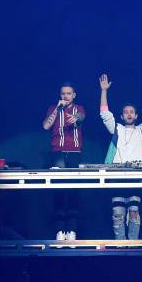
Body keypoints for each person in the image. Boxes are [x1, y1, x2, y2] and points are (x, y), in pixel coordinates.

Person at [99, 74, 142, 239]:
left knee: (134, 212)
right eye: (126, 112)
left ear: (136, 116)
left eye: (132, 112)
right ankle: (120, 246)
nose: (129, 114)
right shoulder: (117, 129)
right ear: (122, 117)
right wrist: (103, 91)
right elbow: (105, 114)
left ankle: (133, 245)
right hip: (116, 177)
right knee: (117, 213)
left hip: (136, 177)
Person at [43, 83, 86, 240]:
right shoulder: (53, 108)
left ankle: (72, 230)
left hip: (74, 152)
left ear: (74, 95)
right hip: (58, 152)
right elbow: (46, 126)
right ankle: (60, 230)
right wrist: (57, 109)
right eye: (63, 94)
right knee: (59, 190)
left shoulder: (79, 108)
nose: (65, 96)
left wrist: (77, 118)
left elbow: (80, 118)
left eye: (68, 93)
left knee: (74, 189)